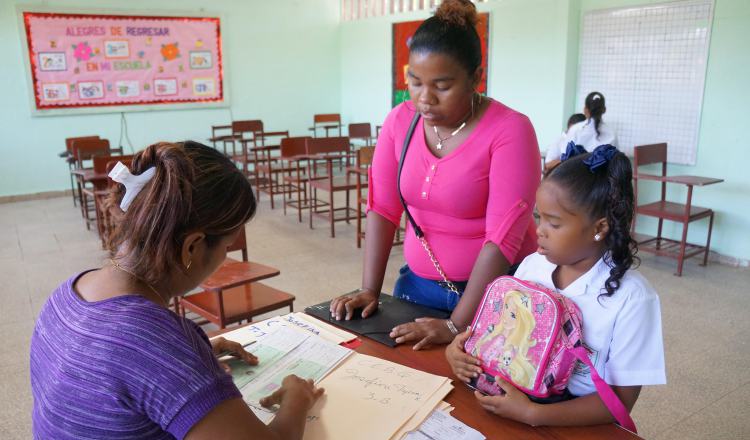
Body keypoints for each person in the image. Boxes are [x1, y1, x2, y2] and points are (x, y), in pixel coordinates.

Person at [30, 141, 324, 440]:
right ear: (192, 247)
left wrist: (196, 357)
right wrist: (297, 399)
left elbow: (108, 372)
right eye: (226, 246)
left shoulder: (66, 294)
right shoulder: (156, 342)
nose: (225, 258)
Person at [330, 0, 540, 350]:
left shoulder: (510, 130)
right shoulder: (400, 120)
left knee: (478, 397)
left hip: (499, 296)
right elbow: (382, 208)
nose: (424, 98)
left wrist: (457, 324)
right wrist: (369, 289)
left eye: (442, 86)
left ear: (475, 77)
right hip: (417, 286)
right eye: (414, 81)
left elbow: (503, 239)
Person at [446, 145, 666, 427]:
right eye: (540, 218)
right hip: (510, 403)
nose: (539, 230)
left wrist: (533, 414)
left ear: (599, 228)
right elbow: (501, 335)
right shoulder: (531, 266)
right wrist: (460, 352)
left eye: (554, 223)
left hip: (575, 422)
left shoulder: (633, 299)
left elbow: (619, 402)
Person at [544, 92, 617, 172]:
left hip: (577, 180)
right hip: (603, 181)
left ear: (585, 109)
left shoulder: (576, 130)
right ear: (604, 109)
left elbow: (565, 157)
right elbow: (616, 160)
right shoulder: (612, 133)